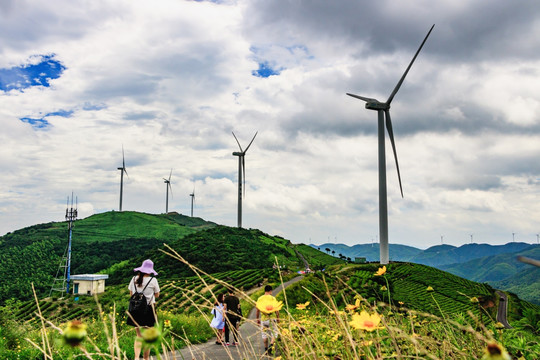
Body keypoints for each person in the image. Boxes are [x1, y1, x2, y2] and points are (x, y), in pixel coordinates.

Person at [128, 259, 160, 360]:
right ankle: (146, 358)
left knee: (139, 335)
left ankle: (136, 357)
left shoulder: (133, 279)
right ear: (150, 270)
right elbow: (157, 295)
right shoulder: (153, 280)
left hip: (135, 310)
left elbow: (131, 294)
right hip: (149, 309)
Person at [256, 285, 280, 354]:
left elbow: (257, 310)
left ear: (265, 290)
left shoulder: (260, 298)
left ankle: (266, 349)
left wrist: (257, 319)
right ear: (270, 291)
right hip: (272, 318)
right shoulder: (273, 298)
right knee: (274, 333)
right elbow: (277, 310)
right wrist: (278, 318)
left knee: (264, 335)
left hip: (263, 319)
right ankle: (271, 345)